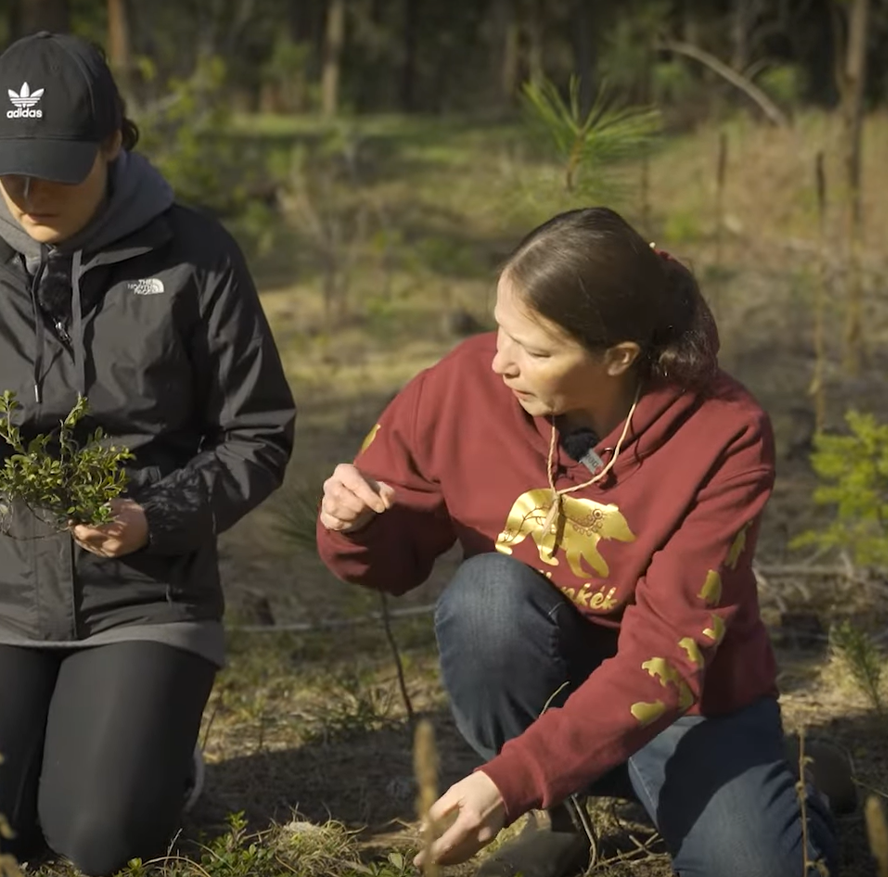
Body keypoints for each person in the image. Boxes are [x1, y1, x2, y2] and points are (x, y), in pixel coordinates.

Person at [0, 31, 296, 877]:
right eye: (11, 168)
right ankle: (46, 760)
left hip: (147, 594)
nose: (29, 193)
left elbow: (261, 432)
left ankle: (154, 769)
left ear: (112, 142)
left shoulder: (195, 255)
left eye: (56, 167)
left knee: (96, 838)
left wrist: (156, 518)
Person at [315, 207, 843, 877]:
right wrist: (353, 524)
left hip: (686, 700)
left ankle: (799, 792)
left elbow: (666, 658)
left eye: (534, 349)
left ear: (619, 356)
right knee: (487, 598)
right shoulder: (465, 382)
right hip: (548, 675)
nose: (499, 361)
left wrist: (507, 780)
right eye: (500, 326)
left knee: (753, 866)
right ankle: (561, 813)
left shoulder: (723, 434)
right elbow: (390, 562)